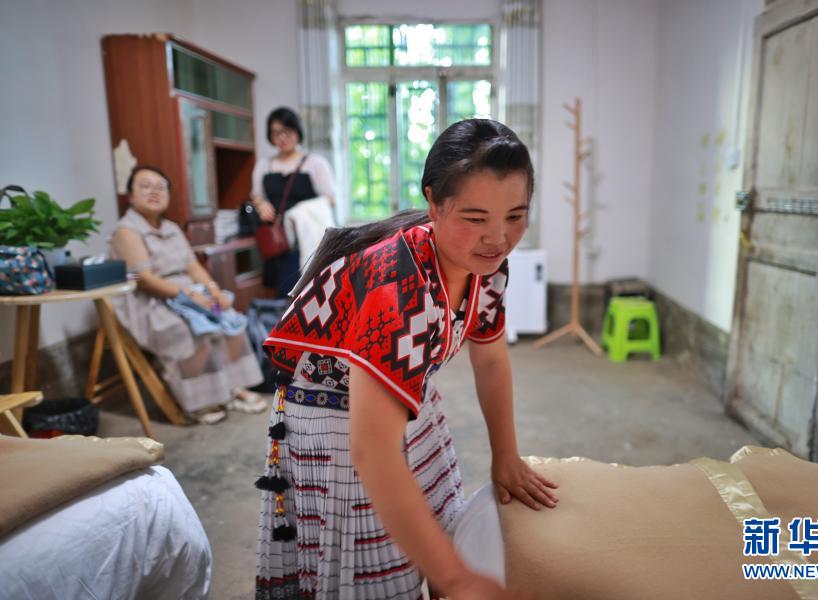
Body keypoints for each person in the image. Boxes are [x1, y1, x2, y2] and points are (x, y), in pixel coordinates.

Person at [255, 119, 558, 599]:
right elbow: (372, 451)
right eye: (475, 218)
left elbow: (491, 361)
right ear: (433, 203)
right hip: (334, 416)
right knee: (384, 567)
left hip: (403, 391)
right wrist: (458, 579)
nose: (498, 238)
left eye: (516, 216)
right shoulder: (396, 285)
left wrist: (505, 456)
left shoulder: (488, 267)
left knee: (441, 525)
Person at [108, 166, 267, 424]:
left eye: (160, 187)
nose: (154, 192)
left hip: (188, 294)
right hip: (152, 300)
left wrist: (213, 291)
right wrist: (191, 297)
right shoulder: (126, 231)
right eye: (145, 186)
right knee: (186, 329)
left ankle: (231, 387)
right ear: (130, 195)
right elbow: (146, 280)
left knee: (229, 316)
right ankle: (199, 401)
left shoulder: (171, 228)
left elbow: (192, 266)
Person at [251, 107, 337, 296]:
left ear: (297, 132)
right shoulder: (264, 166)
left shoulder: (315, 163)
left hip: (307, 241)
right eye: (276, 133)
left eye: (287, 131)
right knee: (281, 294)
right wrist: (261, 204)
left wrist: (299, 212)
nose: (282, 137)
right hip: (277, 241)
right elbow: (256, 195)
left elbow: (330, 199)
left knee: (309, 294)